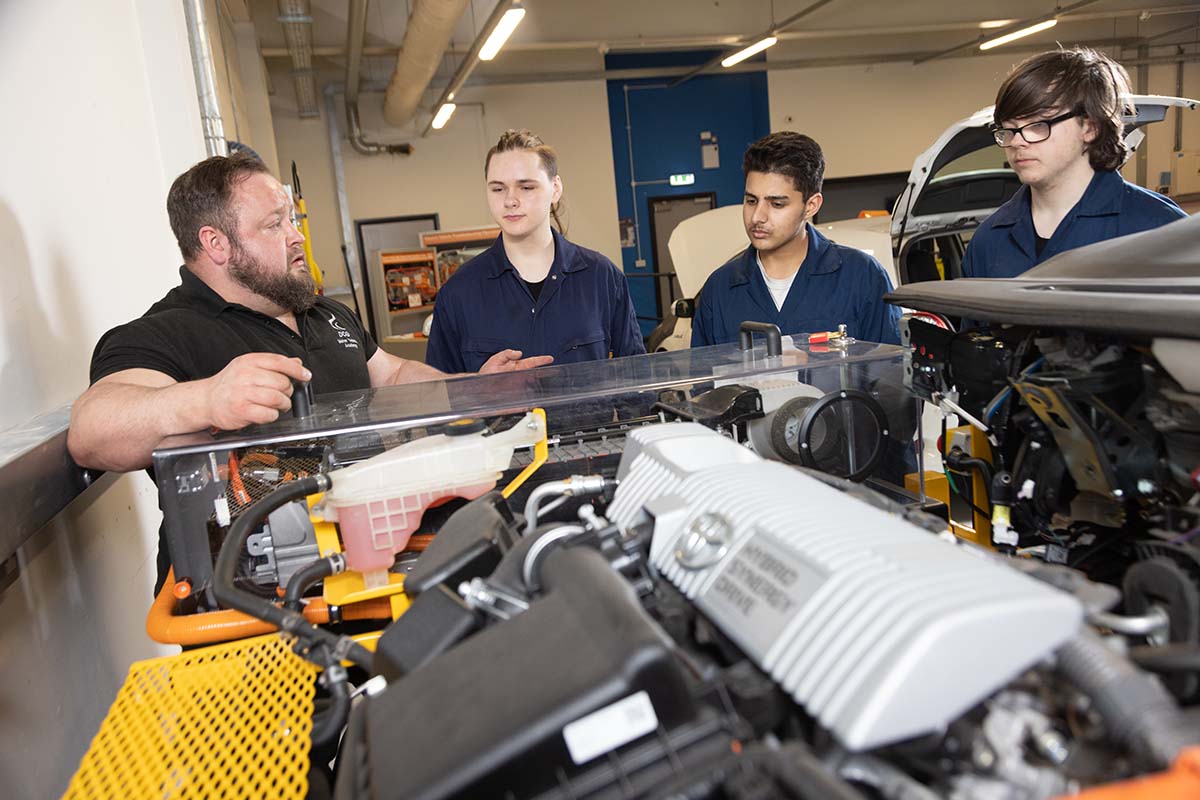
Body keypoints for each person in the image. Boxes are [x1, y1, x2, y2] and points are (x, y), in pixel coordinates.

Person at [68, 153, 550, 475]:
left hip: (368, 544)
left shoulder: (325, 313)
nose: (296, 237)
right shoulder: (165, 334)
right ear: (215, 243)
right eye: (274, 224)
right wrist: (206, 398)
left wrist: (472, 387)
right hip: (247, 591)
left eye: (292, 220)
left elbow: (394, 374)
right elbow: (92, 431)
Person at [425, 129, 645, 373]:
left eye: (526, 187)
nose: (510, 200)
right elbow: (441, 396)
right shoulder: (458, 293)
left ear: (555, 188)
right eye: (498, 189)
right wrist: (478, 387)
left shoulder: (602, 278)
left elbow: (636, 381)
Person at [962, 47, 1186, 279]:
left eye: (1038, 125)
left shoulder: (1159, 229)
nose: (1017, 141)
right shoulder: (988, 240)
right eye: (1008, 130)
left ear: (1090, 127)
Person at [691, 132, 901, 348]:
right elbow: (704, 378)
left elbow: (891, 373)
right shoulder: (719, 290)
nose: (757, 217)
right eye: (751, 201)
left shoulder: (862, 277)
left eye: (777, 204)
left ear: (811, 205)